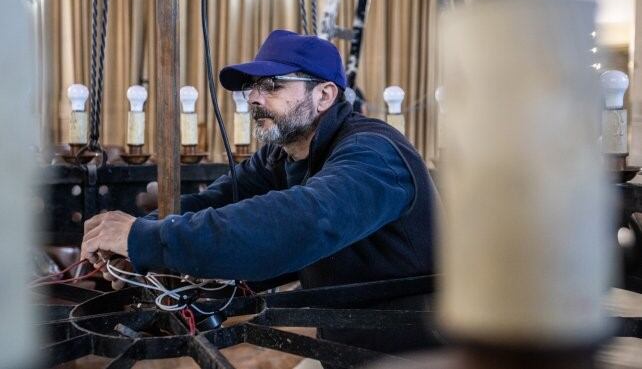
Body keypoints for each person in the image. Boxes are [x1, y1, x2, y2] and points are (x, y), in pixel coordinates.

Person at [80, 29, 440, 357]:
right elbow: (219, 201)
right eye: (252, 87)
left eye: (271, 85)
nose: (252, 97)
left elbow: (294, 224)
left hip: (416, 353)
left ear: (324, 95)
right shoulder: (284, 153)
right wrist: (138, 245)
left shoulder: (374, 154)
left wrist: (143, 238)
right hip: (347, 347)